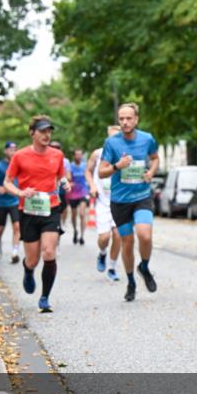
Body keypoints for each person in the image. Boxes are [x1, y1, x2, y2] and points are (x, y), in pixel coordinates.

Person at [4, 116, 67, 313]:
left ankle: (45, 297)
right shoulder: (20, 156)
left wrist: (65, 183)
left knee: (49, 252)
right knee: (33, 260)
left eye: (49, 131)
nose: (47, 135)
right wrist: (20, 192)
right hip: (28, 211)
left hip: (51, 208)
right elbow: (7, 182)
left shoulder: (57, 155)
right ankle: (28, 269)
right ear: (32, 133)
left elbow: (61, 176)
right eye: (42, 131)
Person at [99, 103, 159, 302]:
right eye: (121, 118)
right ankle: (131, 281)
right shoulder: (111, 143)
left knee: (145, 235)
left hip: (142, 196)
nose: (125, 122)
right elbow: (101, 172)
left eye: (128, 118)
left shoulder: (147, 139)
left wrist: (151, 172)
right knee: (127, 242)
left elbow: (155, 158)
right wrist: (118, 166)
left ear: (136, 120)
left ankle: (144, 266)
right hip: (120, 201)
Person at [86, 126, 123, 281]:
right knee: (104, 237)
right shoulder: (98, 154)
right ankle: (102, 253)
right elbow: (88, 172)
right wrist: (92, 186)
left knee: (118, 235)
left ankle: (112, 268)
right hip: (102, 201)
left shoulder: (124, 156)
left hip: (119, 202)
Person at [0, 142, 22, 263]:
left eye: (15, 149)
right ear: (5, 151)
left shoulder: (18, 165)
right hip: (1, 202)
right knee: (0, 228)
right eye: (11, 149)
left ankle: (14, 253)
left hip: (15, 201)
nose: (13, 152)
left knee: (17, 227)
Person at [67, 148, 91, 245]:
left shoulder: (85, 165)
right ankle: (75, 231)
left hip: (83, 192)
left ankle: (82, 236)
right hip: (73, 194)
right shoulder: (70, 166)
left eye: (80, 154)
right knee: (74, 215)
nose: (79, 156)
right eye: (77, 155)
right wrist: (69, 182)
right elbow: (68, 177)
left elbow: (89, 176)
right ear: (74, 156)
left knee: (82, 214)